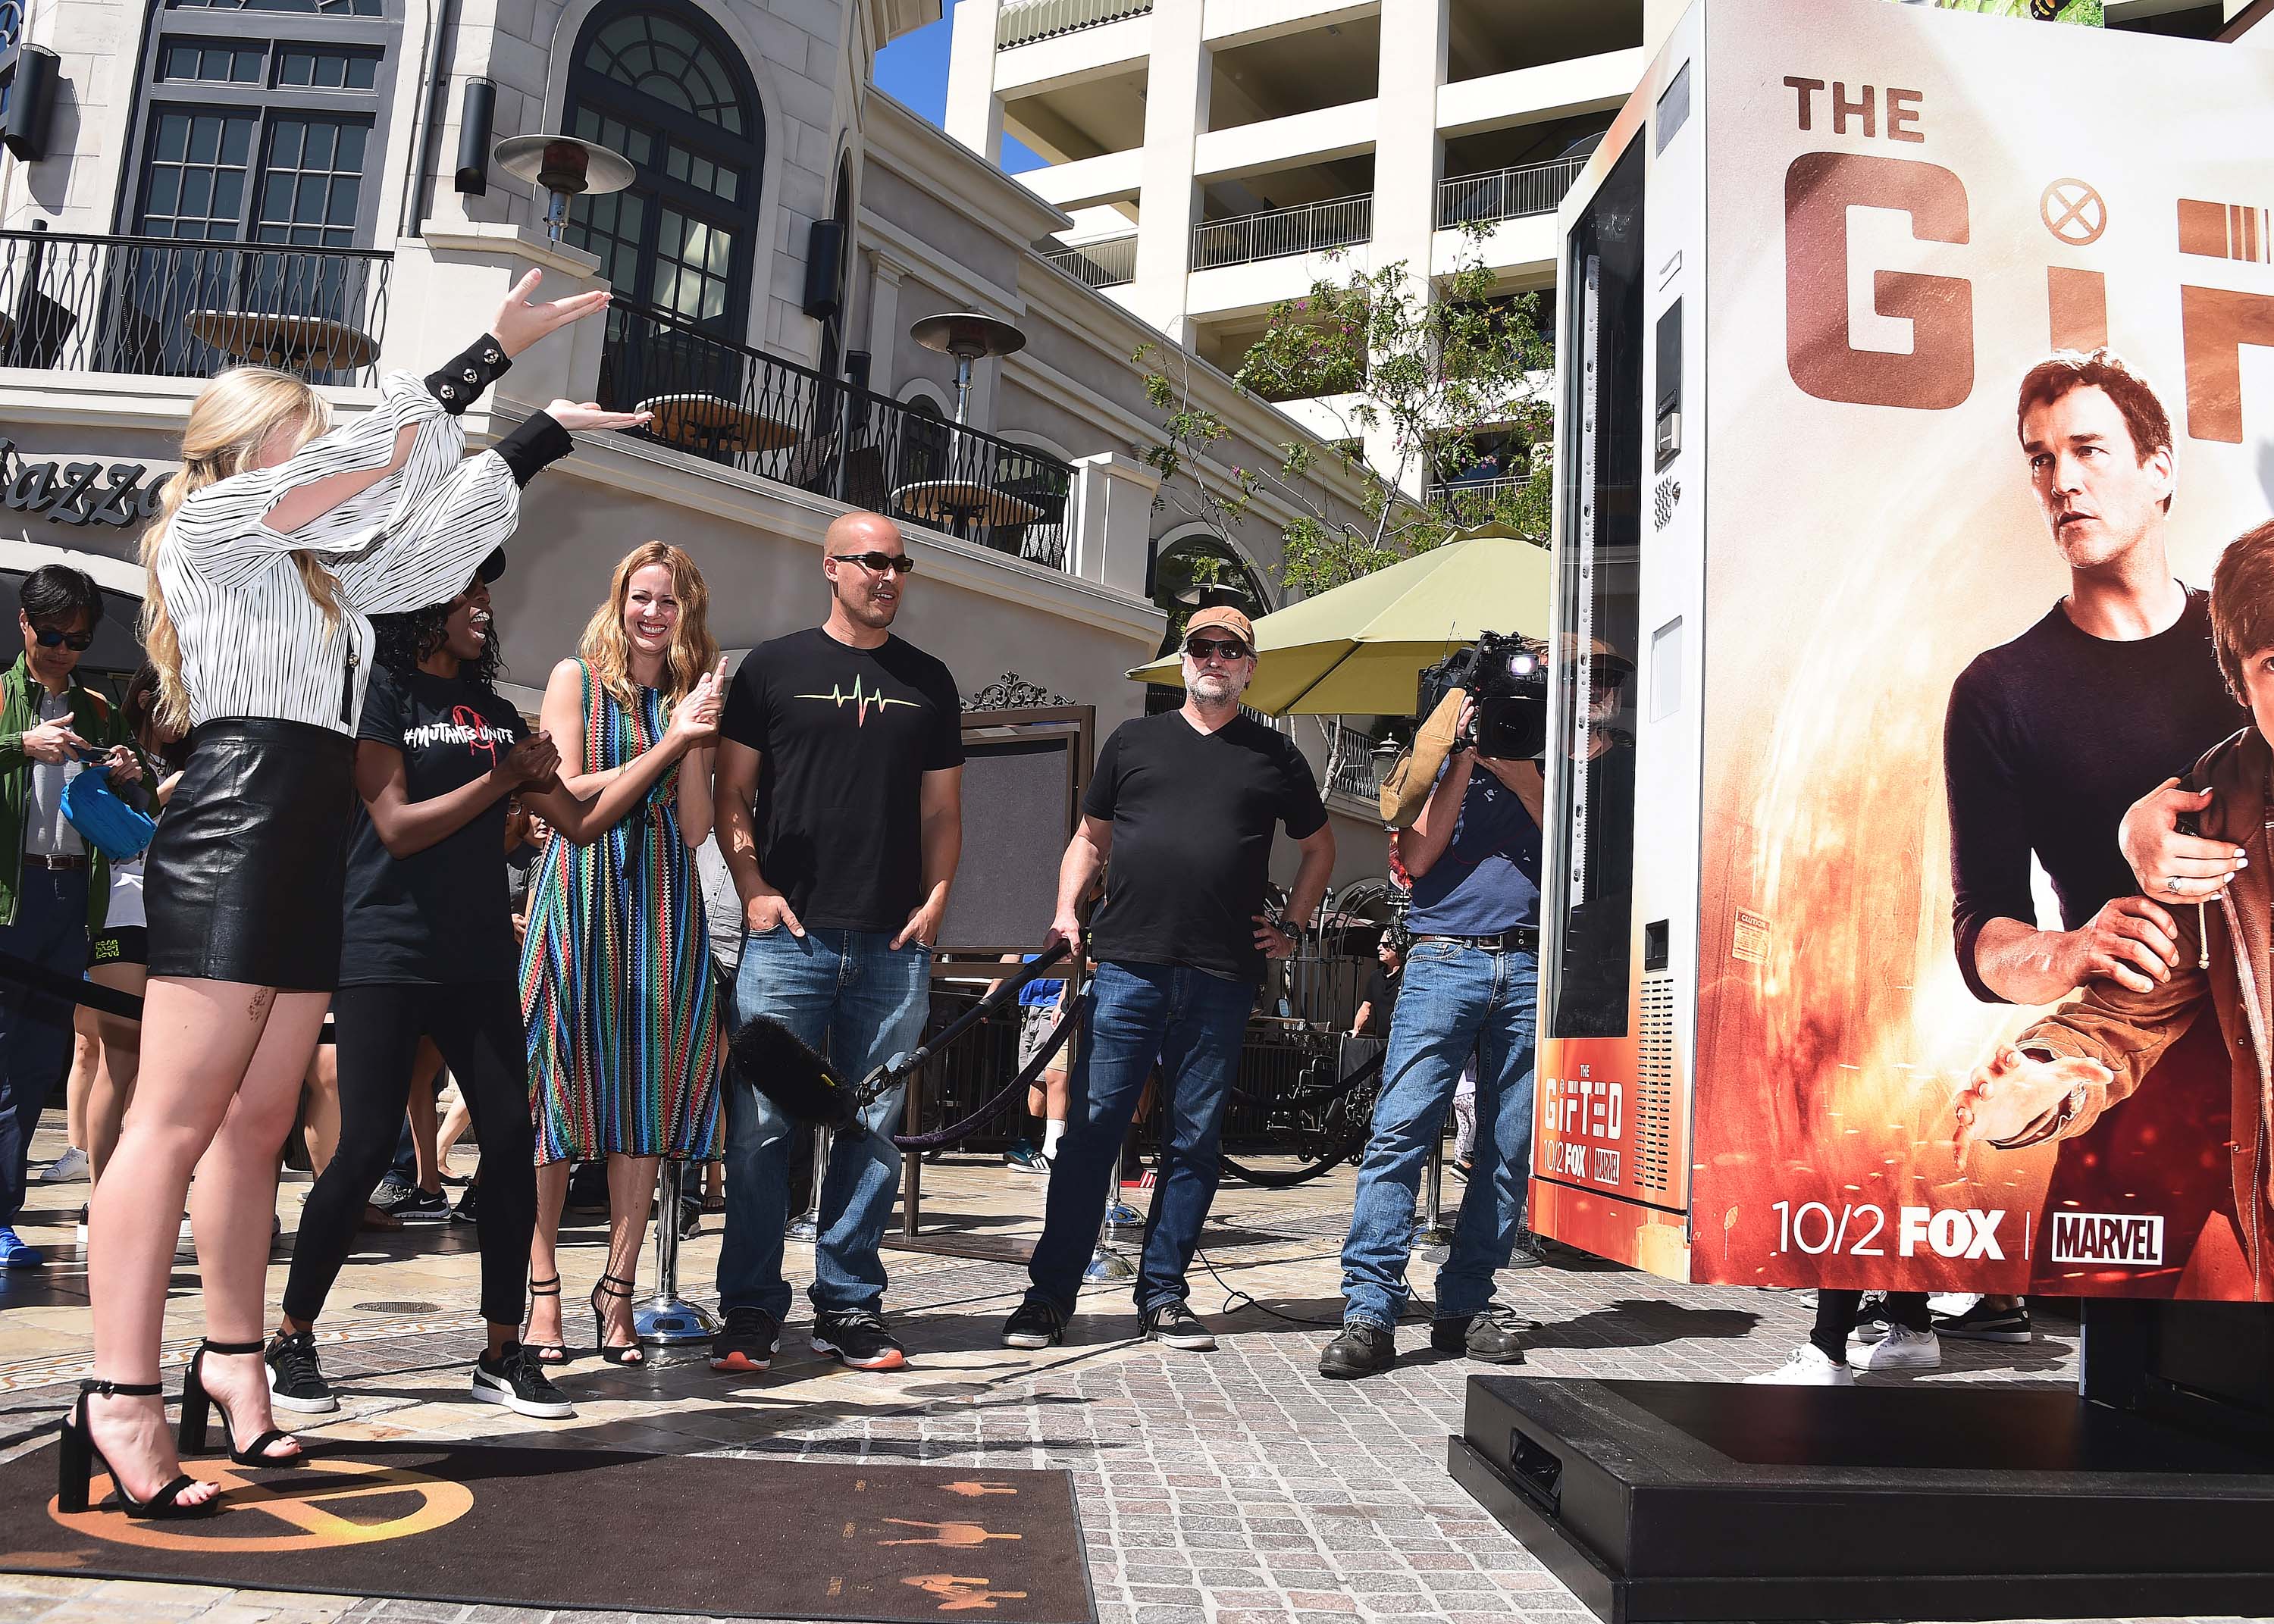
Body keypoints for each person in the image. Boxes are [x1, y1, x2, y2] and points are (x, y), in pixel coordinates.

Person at [73, 271, 620, 1520]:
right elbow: (365, 476)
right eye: (304, 439)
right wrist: (487, 355)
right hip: (238, 826)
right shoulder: (212, 531)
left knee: (260, 1127)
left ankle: (232, 1364)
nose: (324, 456)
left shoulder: (324, 579)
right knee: (169, 1121)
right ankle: (118, 1390)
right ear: (252, 450)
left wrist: (534, 438)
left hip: (314, 840)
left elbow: (430, 540)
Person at [269, 553, 664, 1419]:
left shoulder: (493, 713)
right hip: (384, 949)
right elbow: (398, 828)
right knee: (367, 1144)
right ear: (421, 609)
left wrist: (667, 748)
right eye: (467, 594)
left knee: (513, 1144)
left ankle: (501, 1349)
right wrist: (504, 778)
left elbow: (580, 823)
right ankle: (291, 1339)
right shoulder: (382, 696)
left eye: (488, 591)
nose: (483, 605)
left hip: (481, 955)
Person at [1937, 350, 2244, 1328]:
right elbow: (1981, 930)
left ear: (2159, 468)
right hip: (2130, 1077)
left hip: (2269, 1045)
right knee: (2110, 1398)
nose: (2062, 480)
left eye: (2088, 449)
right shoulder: (1999, 691)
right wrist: (2070, 949)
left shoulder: (2252, 646)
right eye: (2039, 460)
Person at [1002, 605, 1333, 1353]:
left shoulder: (1274, 757)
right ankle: (1050, 1297)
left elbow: (1320, 848)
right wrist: (1064, 909)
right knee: (1091, 1137)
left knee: (1193, 1140)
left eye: (1231, 650)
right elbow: (1089, 840)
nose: (1214, 658)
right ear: (1183, 659)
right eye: (1201, 647)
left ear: (1250, 668)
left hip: (1221, 977)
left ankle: (1164, 1295)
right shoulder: (1134, 742)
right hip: (1127, 969)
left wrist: (1295, 927)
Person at [710, 509, 964, 1375]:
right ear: (831, 567)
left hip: (893, 945)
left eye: (900, 564)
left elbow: (941, 810)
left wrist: (936, 900)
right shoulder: (772, 668)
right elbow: (731, 796)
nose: (887, 577)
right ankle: (748, 1307)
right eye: (871, 562)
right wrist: (753, 890)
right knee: (761, 1130)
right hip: (788, 941)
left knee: (873, 1131)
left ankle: (850, 1306)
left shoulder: (930, 680)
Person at [521, 541, 726, 1369]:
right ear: (619, 600)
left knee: (646, 1097)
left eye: (669, 602)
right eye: (641, 597)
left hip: (664, 905)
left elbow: (697, 827)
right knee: (555, 1090)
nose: (652, 613)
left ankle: (618, 1286)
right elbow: (561, 792)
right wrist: (668, 746)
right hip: (580, 888)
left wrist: (699, 739)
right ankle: (541, 1287)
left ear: (688, 614)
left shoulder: (687, 698)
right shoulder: (576, 679)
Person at [1320, 687, 1545, 1379]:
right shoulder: (1441, 750)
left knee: (1507, 1147)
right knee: (1401, 1131)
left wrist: (1522, 769)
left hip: (1534, 957)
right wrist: (1465, 755)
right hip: (1445, 953)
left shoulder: (1561, 755)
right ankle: (1369, 1311)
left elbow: (1581, 845)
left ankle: (1464, 1302)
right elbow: (1416, 859)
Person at [0, 565, 139, 1269]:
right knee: (2, 1060)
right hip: (9, 896)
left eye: (76, 639)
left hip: (69, 894)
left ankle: (5, 1212)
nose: (62, 649)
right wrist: (19, 747)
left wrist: (123, 769)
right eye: (51, 635)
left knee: (33, 1060)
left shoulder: (96, 706)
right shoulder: (0, 699)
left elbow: (121, 782)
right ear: (25, 625)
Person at [999, 953, 1072, 1173]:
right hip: (1029, 1007)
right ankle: (1034, 1142)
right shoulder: (1026, 925)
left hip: (1053, 1007)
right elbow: (1011, 956)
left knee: (1047, 1076)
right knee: (1032, 1077)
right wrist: (992, 994)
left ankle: (1039, 1145)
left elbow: (1076, 960)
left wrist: (1061, 1002)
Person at [1349, 934, 1402, 1037]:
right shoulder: (1375, 977)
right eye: (1380, 944)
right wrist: (1356, 1029)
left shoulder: (1408, 976)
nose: (1379, 948)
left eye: (1385, 945)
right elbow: (1366, 1007)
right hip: (1380, 1042)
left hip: (1401, 1041)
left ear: (1399, 947)